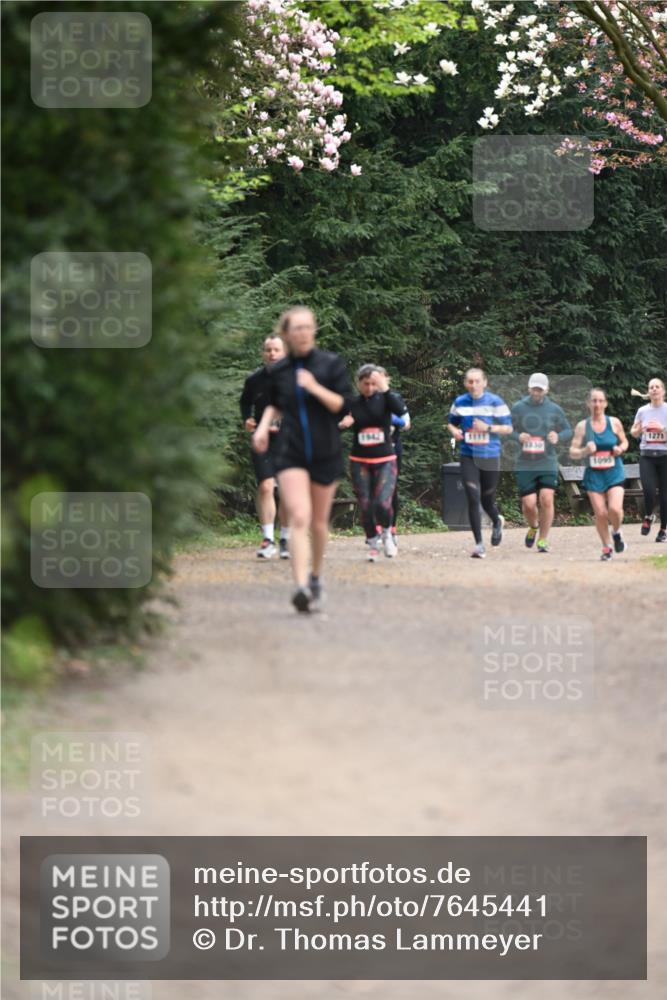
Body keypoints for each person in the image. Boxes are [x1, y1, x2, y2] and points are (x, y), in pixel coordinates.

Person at [252, 306, 352, 612]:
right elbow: (273, 404)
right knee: (298, 517)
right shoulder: (278, 371)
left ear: (314, 331)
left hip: (325, 452)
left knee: (319, 523)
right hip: (291, 451)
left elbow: (342, 405)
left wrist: (313, 387)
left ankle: (316, 577)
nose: (304, 333)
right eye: (297, 328)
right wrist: (262, 427)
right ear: (287, 334)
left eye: (308, 327)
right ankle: (299, 587)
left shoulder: (330, 364)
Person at [339, 365, 408, 561]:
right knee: (366, 503)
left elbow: (402, 413)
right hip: (360, 460)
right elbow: (336, 421)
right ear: (358, 383)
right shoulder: (352, 403)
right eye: (365, 383)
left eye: (373, 384)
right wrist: (342, 423)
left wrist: (384, 387)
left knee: (382, 503)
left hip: (385, 459)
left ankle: (387, 533)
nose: (369, 388)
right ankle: (372, 541)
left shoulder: (386, 399)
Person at [447, 368, 513, 558]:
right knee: (473, 497)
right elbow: (451, 422)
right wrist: (454, 431)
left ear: (484, 382)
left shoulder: (495, 402)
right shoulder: (460, 402)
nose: (473, 385)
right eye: (469, 381)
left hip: (490, 456)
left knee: (487, 500)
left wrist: (488, 427)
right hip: (468, 455)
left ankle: (496, 521)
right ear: (465, 383)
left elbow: (509, 428)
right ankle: (479, 544)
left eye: (477, 381)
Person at [510, 373, 572, 553]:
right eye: (534, 388)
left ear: (546, 390)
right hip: (525, 463)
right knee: (529, 503)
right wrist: (518, 436)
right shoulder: (518, 408)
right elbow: (507, 430)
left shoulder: (554, 409)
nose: (537, 392)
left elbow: (568, 430)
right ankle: (533, 526)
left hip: (547, 461)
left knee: (546, 499)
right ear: (529, 388)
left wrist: (557, 436)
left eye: (540, 389)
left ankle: (543, 540)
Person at [240, 334, 289, 559]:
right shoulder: (254, 380)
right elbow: (245, 402)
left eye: (276, 350)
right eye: (268, 350)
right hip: (263, 440)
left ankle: (286, 538)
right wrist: (247, 419)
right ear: (263, 353)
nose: (272, 354)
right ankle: (268, 539)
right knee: (266, 487)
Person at [569, 387, 629, 560]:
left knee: (615, 509)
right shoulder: (582, 426)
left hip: (614, 472)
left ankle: (617, 533)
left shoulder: (614, 423)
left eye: (600, 400)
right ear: (588, 403)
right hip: (594, 475)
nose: (597, 404)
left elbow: (625, 442)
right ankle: (607, 547)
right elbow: (573, 451)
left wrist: (620, 448)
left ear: (606, 403)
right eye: (594, 400)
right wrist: (584, 451)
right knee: (601, 513)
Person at [375, 366, 410, 547]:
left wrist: (392, 419)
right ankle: (379, 527)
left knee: (391, 489)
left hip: (393, 448)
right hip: (372, 449)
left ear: (387, 379)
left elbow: (407, 424)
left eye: (381, 377)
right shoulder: (368, 398)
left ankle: (392, 528)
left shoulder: (395, 398)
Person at [630, 377, 667, 542]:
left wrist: (662, 429)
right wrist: (637, 431)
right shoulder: (642, 411)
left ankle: (663, 530)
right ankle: (649, 515)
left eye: (657, 386)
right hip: (647, 456)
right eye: (651, 387)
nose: (654, 389)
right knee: (649, 490)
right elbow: (634, 432)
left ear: (663, 391)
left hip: (665, 456)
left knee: (665, 496)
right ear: (648, 391)